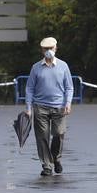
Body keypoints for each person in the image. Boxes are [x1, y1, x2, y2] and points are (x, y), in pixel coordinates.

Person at [24, 36, 73, 176]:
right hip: (40, 107)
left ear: (56, 48)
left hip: (60, 106)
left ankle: (55, 158)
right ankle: (46, 165)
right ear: (42, 51)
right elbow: (29, 88)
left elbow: (69, 87)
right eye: (45, 49)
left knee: (58, 133)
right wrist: (28, 108)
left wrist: (68, 103)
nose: (48, 51)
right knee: (42, 137)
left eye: (50, 48)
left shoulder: (63, 66)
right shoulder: (36, 68)